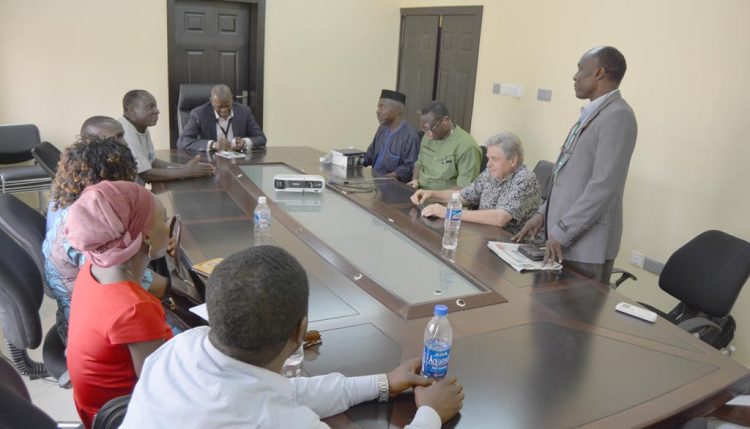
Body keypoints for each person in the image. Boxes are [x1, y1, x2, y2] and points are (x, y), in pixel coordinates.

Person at [122, 246, 464, 428]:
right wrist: (431, 414)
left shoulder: (178, 348)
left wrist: (384, 383)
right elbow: (278, 404)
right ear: (301, 332)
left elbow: (291, 392)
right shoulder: (276, 421)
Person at [513, 46, 638, 283]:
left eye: (581, 69)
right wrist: (543, 214)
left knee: (572, 318)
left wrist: (561, 232)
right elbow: (570, 178)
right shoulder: (593, 113)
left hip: (585, 246)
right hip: (562, 237)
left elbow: (602, 187)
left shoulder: (618, 116)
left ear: (599, 73)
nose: (575, 76)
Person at [65, 181, 173, 427]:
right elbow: (161, 388)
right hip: (123, 419)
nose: (168, 228)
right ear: (145, 235)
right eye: (164, 221)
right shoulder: (135, 308)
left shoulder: (91, 269)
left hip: (96, 411)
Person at [42, 138, 172, 344]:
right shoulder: (87, 234)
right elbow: (142, 286)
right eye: (129, 182)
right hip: (87, 332)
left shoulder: (74, 210)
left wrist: (153, 238)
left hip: (85, 316)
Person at [411, 132, 541, 235]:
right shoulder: (490, 173)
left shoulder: (525, 179)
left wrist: (448, 213)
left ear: (513, 161)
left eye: (494, 159)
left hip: (513, 246)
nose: (489, 164)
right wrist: (432, 194)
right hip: (485, 237)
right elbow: (463, 196)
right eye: (488, 158)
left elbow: (500, 218)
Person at [45, 116, 128, 231]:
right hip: (74, 246)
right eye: (117, 138)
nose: (125, 142)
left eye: (122, 135)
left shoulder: (81, 173)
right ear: (94, 145)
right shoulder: (91, 185)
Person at [118, 89, 215, 182]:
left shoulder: (141, 126)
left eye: (155, 106)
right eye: (150, 107)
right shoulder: (125, 132)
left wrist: (184, 168)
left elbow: (153, 162)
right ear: (131, 109)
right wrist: (187, 172)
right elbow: (145, 174)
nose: (157, 111)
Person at [408, 101, 482, 190]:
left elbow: (465, 189)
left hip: (444, 200)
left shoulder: (467, 146)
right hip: (420, 192)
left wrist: (431, 195)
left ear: (445, 120)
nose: (428, 135)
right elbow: (419, 163)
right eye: (424, 130)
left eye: (430, 129)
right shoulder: (427, 136)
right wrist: (415, 180)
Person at [177, 84, 267, 152]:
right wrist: (212, 145)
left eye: (227, 106)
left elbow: (261, 138)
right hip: (212, 162)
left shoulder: (244, 111)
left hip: (239, 161)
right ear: (212, 101)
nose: (224, 110)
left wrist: (244, 142)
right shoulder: (199, 114)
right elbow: (182, 141)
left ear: (231, 99)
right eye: (219, 107)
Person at [362, 89, 420, 182]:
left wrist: (391, 176)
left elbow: (410, 167)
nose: (378, 111)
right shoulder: (382, 128)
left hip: (393, 186)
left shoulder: (410, 136)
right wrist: (350, 161)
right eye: (378, 107)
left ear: (396, 111)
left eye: (382, 107)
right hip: (375, 181)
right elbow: (370, 154)